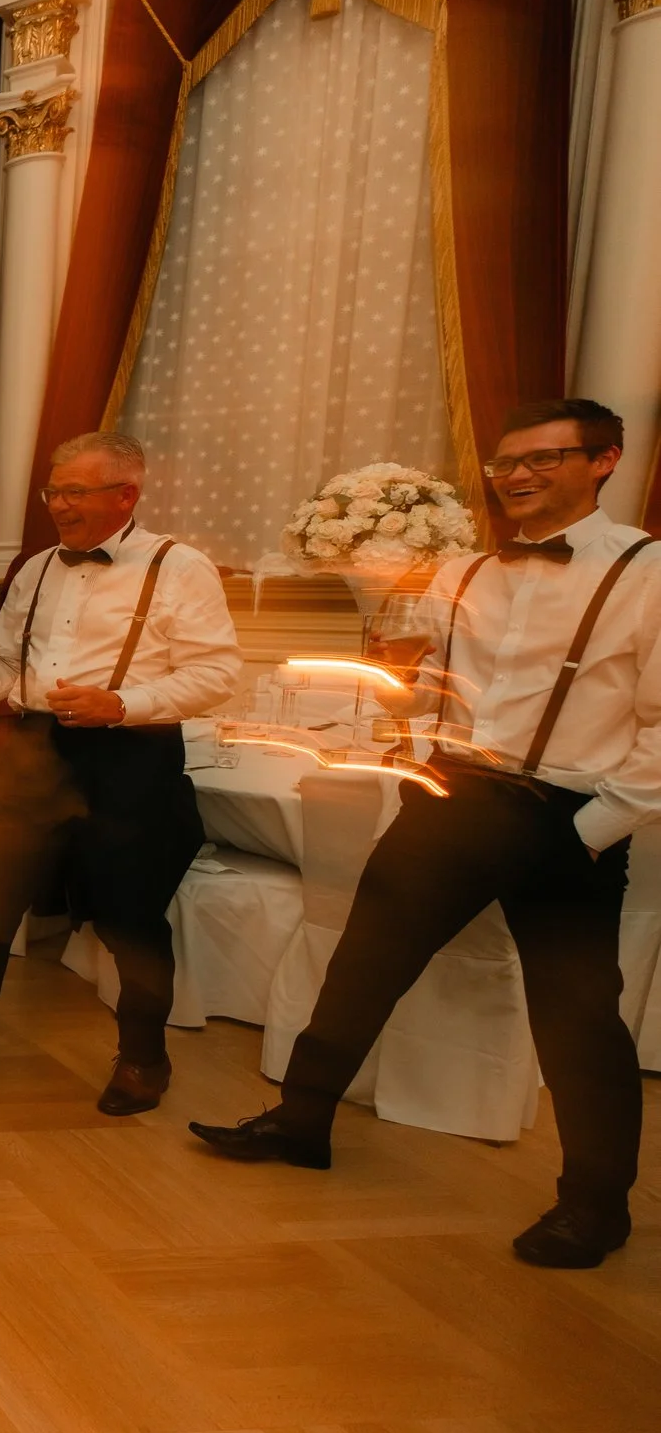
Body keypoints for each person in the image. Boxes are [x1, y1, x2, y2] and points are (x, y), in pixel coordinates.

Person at [194, 399, 658, 1269]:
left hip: (569, 818)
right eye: (505, 462)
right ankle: (302, 1121)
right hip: (453, 798)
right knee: (363, 963)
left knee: (579, 1016)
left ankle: (596, 1205)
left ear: (605, 460)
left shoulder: (648, 572)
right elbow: (439, 684)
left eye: (543, 458)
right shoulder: (466, 573)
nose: (516, 476)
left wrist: (595, 829)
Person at [0, 433, 241, 1114]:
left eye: (75, 491)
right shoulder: (35, 569)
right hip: (37, 751)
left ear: (126, 494)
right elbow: (7, 664)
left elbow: (217, 673)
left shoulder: (179, 566)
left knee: (131, 915)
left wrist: (123, 704)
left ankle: (144, 1058)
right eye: (53, 490)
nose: (59, 503)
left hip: (130, 758)